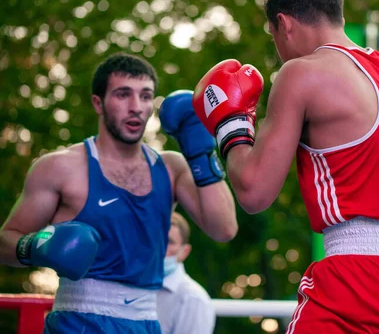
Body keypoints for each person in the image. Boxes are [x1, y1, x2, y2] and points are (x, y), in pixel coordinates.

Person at [192, 0, 379, 333]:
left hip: (362, 275)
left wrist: (229, 126)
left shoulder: (301, 73)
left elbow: (253, 191)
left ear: (284, 24)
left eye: (274, 37)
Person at [0, 53, 238, 333]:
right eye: (123, 95)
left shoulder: (172, 168)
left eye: (146, 96)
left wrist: (201, 153)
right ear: (98, 103)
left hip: (145, 322)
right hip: (76, 323)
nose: (136, 107)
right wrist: (37, 247)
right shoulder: (58, 167)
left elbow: (224, 229)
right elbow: (5, 242)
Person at [158, 212, 216, 334]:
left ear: (184, 252)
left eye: (169, 242)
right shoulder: (129, 286)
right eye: (156, 238)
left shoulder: (192, 299)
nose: (160, 246)